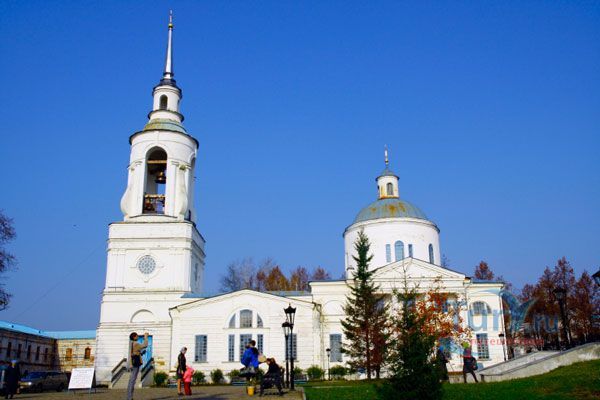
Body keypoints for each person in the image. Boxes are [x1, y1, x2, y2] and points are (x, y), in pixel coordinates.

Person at [127, 331, 149, 400]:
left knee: (132, 380)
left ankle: (129, 397)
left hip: (133, 363)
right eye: (137, 336)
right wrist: (146, 337)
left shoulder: (131, 343)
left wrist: (141, 353)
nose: (138, 337)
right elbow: (145, 345)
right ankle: (129, 397)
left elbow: (135, 352)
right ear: (134, 337)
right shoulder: (135, 343)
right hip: (135, 363)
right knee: (132, 380)